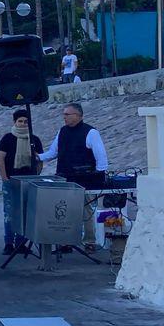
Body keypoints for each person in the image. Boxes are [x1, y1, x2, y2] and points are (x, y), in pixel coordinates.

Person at [37, 102, 109, 248]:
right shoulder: (62, 131)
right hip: (64, 177)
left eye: (67, 114)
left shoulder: (91, 132)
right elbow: (53, 152)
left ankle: (89, 241)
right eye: (64, 114)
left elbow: (101, 157)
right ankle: (66, 241)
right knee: (64, 210)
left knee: (86, 210)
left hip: (85, 180)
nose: (64, 117)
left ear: (78, 115)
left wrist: (99, 176)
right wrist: (38, 157)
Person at [0, 108, 45, 254]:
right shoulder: (7, 138)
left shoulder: (34, 140)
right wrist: (4, 177)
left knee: (26, 213)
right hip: (11, 180)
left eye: (26, 121)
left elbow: (40, 159)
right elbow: (0, 158)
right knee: (10, 213)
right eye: (20, 121)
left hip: (29, 180)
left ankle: (21, 243)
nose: (23, 124)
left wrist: (37, 175)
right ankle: (9, 243)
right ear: (15, 122)